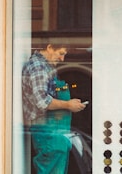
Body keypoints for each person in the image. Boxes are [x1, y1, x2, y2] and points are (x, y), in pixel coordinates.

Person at [22, 44, 86, 174]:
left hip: (54, 131)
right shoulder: (38, 67)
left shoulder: (46, 66)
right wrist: (68, 105)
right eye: (61, 53)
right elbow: (42, 101)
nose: (62, 59)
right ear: (50, 47)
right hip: (47, 130)